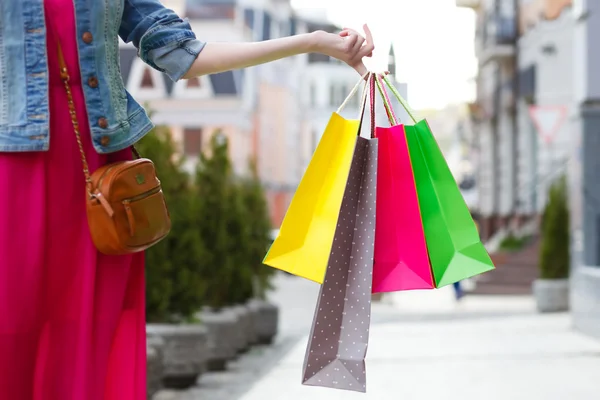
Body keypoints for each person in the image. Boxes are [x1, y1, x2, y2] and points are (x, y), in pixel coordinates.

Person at [0, 1, 375, 399]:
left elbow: (183, 54)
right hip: (14, 169)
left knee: (85, 333)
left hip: (101, 178)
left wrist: (312, 43)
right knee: (12, 326)